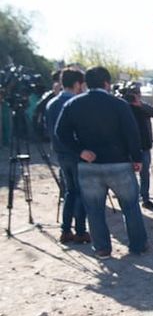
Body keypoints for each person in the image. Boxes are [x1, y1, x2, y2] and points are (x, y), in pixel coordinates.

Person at [55, 66, 147, 259]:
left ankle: (103, 249)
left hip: (89, 166)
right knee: (130, 206)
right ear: (107, 83)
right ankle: (137, 245)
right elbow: (132, 134)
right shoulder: (119, 104)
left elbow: (60, 132)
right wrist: (136, 158)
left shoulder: (73, 105)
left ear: (86, 83)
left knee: (94, 210)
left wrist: (79, 151)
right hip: (119, 164)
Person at [46, 68, 89, 245]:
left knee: (70, 191)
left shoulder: (51, 103)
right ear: (78, 84)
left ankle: (65, 230)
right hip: (77, 153)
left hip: (60, 154)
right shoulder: (77, 104)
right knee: (80, 193)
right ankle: (80, 231)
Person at [124, 83, 153, 210]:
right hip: (127, 147)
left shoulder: (142, 107)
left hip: (144, 146)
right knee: (128, 175)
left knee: (144, 174)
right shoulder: (122, 107)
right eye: (133, 94)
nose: (136, 96)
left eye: (138, 94)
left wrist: (140, 104)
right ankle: (131, 198)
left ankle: (145, 198)